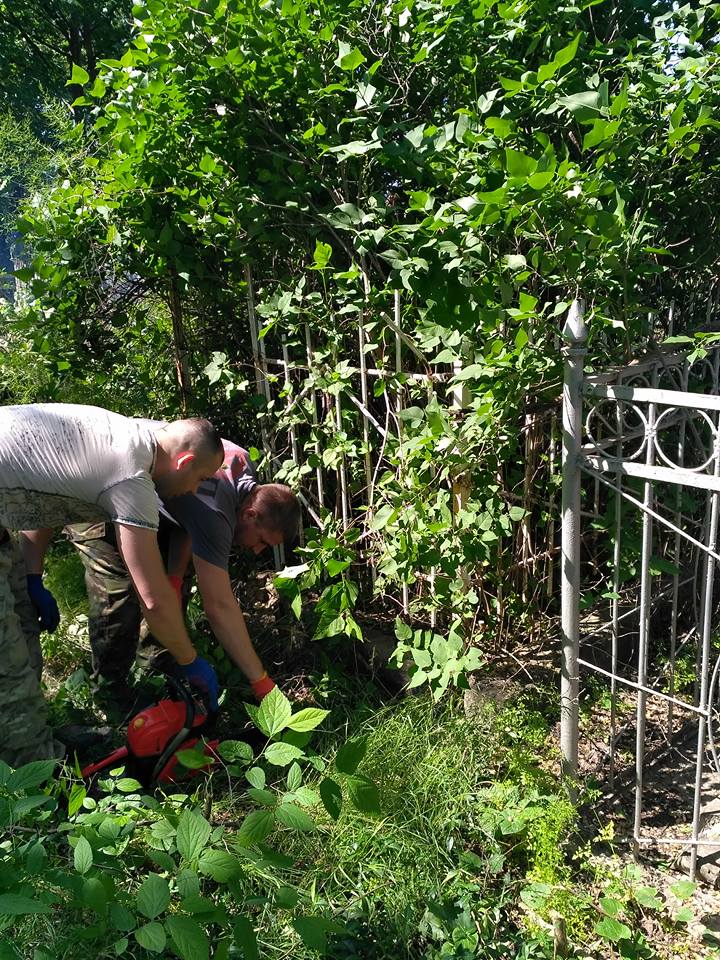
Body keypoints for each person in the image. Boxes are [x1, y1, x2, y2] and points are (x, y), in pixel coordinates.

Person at [0, 402, 224, 767]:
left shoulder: (120, 430)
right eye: (199, 480)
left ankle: (37, 736)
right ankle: (39, 783)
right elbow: (151, 596)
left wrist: (31, 576)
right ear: (184, 462)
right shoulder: (131, 479)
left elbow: (46, 491)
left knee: (22, 634)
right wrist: (189, 659)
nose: (193, 491)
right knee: (5, 666)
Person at [66, 440, 300, 711]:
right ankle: (112, 700)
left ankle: (159, 679)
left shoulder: (242, 465)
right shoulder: (218, 515)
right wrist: (260, 681)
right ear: (250, 514)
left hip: (147, 507)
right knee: (120, 594)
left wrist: (174, 577)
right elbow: (219, 606)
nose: (258, 551)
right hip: (100, 501)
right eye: (262, 541)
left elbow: (189, 518)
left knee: (169, 595)